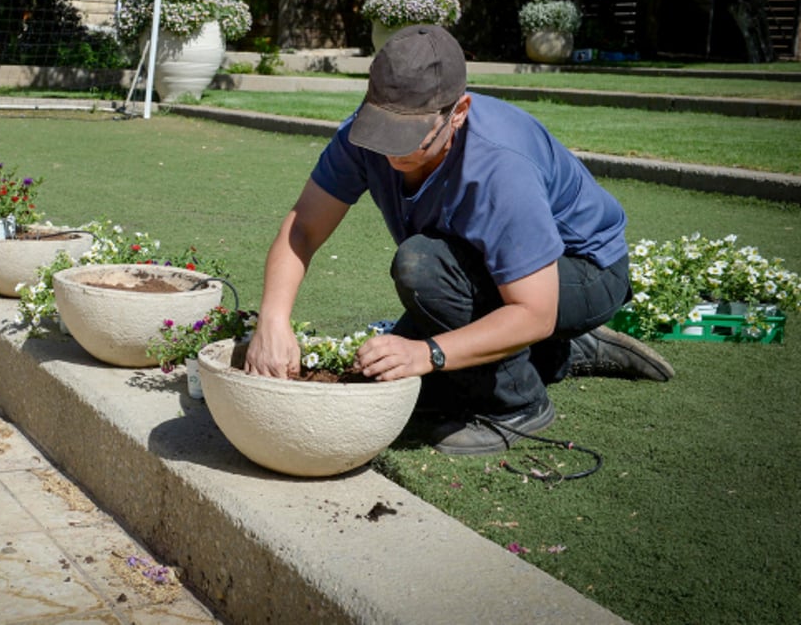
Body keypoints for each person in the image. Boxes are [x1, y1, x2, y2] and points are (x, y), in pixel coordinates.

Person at [245, 24, 674, 456]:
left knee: (420, 270)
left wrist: (426, 353)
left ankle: (518, 407)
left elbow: (535, 312)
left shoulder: (500, 164)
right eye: (381, 130)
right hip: (488, 270)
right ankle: (558, 355)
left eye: (411, 137)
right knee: (404, 391)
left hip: (582, 271)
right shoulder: (362, 134)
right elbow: (303, 226)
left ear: (460, 111)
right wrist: (273, 320)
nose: (392, 152)